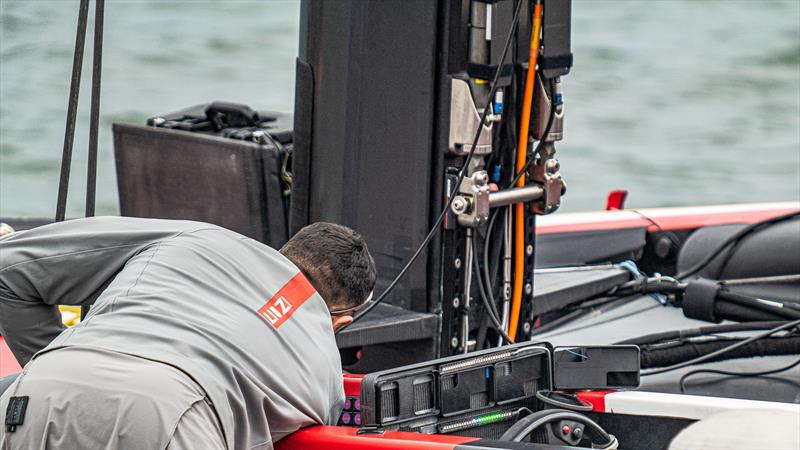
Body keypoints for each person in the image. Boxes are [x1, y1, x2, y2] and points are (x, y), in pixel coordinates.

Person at [0, 216, 375, 449]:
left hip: (40, 391)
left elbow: (7, 268)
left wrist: (56, 367)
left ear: (282, 252)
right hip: (171, 417)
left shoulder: (197, 238)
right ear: (340, 322)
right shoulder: (325, 367)